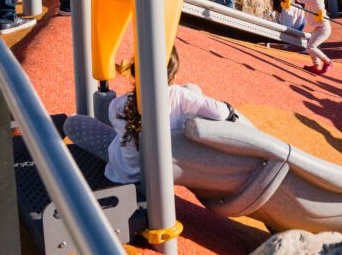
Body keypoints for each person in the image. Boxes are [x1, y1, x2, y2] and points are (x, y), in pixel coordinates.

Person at [65, 46, 240, 185]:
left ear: (135, 73)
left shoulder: (118, 105)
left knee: (73, 123)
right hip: (160, 175)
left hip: (122, 173)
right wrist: (231, 113)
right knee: (192, 90)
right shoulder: (180, 96)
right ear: (173, 75)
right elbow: (221, 111)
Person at [297, 0, 333, 74]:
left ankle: (327, 61)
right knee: (311, 47)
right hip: (319, 28)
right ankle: (316, 65)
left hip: (323, 28)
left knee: (311, 47)